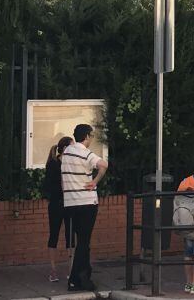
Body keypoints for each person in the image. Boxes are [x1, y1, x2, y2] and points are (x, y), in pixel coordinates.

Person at [61, 124, 108, 292]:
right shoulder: (85, 152)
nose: (91, 139)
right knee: (83, 242)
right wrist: (94, 182)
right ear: (87, 136)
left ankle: (84, 276)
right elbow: (104, 165)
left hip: (70, 203)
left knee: (81, 243)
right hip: (87, 202)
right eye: (91, 136)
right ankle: (75, 279)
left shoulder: (66, 152)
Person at [45, 136, 74, 282]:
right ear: (64, 149)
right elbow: (50, 185)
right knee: (54, 235)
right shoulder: (54, 164)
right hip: (57, 202)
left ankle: (71, 269)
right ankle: (53, 269)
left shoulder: (71, 163)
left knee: (70, 235)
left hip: (69, 203)